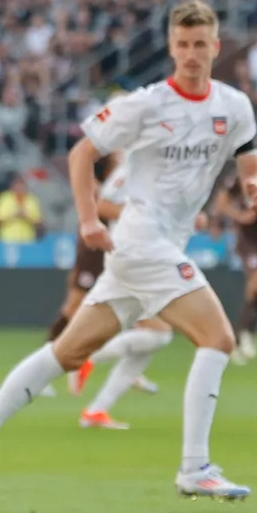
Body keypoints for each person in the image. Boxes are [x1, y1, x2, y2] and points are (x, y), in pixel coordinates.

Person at [0, 0, 257, 503]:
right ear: (169, 46)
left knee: (68, 353)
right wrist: (89, 218)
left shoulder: (235, 106)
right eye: (182, 44)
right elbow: (81, 152)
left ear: (216, 47)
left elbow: (249, 159)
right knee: (218, 338)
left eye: (200, 44)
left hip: (152, 248)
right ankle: (194, 467)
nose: (190, 54)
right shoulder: (146, 104)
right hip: (141, 241)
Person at [69, 160, 178, 430]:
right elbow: (104, 205)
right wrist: (139, 220)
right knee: (159, 334)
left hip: (151, 255)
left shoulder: (164, 169)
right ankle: (85, 356)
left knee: (147, 345)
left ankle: (96, 411)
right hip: (134, 256)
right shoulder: (132, 166)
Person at [212, 172, 257, 364]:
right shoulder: (245, 174)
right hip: (247, 239)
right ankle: (246, 332)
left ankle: (237, 337)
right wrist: (238, 215)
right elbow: (221, 202)